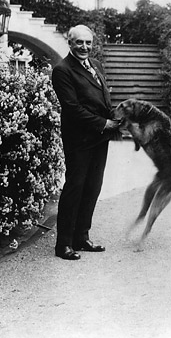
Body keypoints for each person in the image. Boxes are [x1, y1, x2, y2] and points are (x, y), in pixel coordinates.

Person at [51, 25, 121, 260]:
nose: (84, 47)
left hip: (99, 138)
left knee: (92, 188)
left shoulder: (96, 66)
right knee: (75, 188)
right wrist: (105, 123)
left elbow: (103, 99)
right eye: (79, 42)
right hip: (79, 139)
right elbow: (72, 109)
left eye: (88, 43)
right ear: (70, 43)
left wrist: (116, 118)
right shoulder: (62, 70)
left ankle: (82, 237)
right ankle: (64, 244)